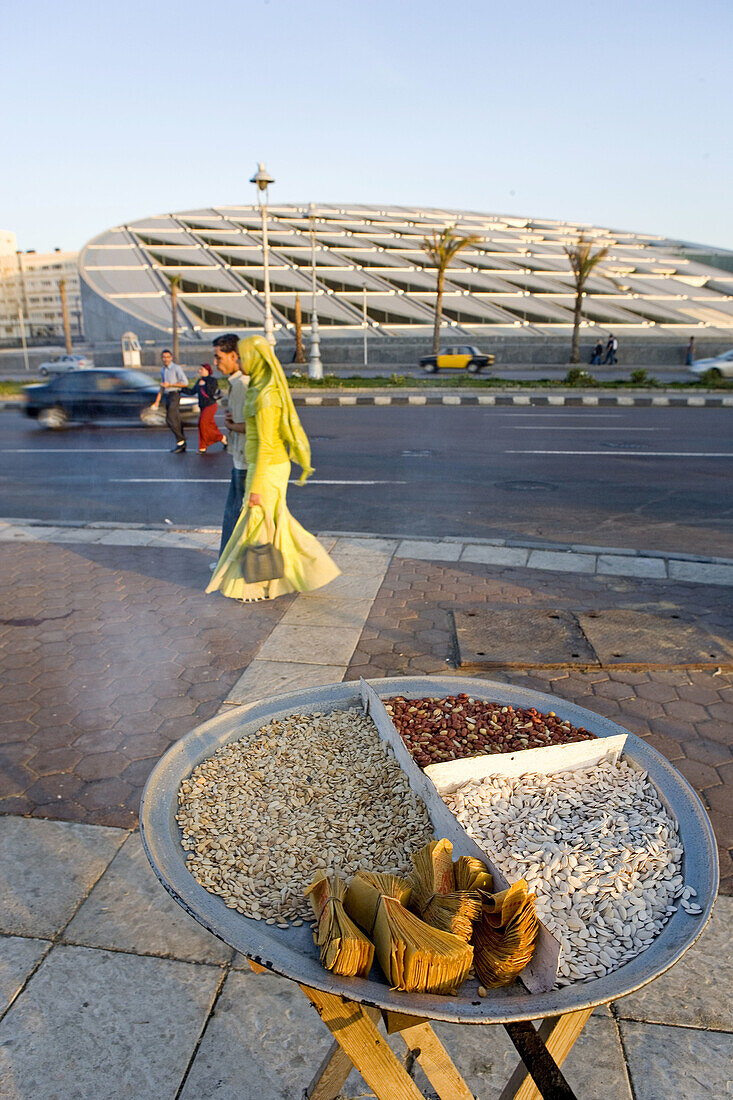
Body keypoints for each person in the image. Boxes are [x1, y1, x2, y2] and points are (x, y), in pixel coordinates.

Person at [207, 335, 340, 602]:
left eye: (243, 356)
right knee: (273, 526)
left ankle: (263, 582)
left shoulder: (267, 395)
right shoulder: (258, 386)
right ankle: (292, 574)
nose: (240, 361)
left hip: (268, 468)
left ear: (255, 358)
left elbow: (267, 445)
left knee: (259, 525)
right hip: (262, 465)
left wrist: (255, 488)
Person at [211, 334, 249, 558]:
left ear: (234, 355)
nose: (216, 363)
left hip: (245, 461)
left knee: (234, 514)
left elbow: (253, 426)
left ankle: (229, 562)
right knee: (233, 514)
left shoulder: (242, 385)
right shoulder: (236, 383)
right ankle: (228, 561)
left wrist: (231, 425)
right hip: (240, 458)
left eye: (219, 357)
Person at [151, 349, 188, 452]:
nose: (166, 359)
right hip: (167, 395)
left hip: (175, 394)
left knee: (170, 418)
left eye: (168, 357)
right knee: (174, 419)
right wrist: (157, 401)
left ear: (171, 358)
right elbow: (162, 386)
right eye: (164, 357)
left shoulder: (176, 368)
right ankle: (181, 442)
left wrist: (171, 385)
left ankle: (181, 440)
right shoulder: (163, 370)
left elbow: (185, 383)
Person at [186, 364, 227, 454]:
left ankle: (214, 441)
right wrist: (180, 388)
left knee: (202, 423)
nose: (200, 371)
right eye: (200, 369)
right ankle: (220, 441)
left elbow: (211, 392)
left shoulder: (212, 380)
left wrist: (204, 385)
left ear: (208, 370)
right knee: (210, 425)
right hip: (203, 406)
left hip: (210, 405)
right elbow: (192, 392)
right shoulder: (199, 381)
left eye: (202, 369)